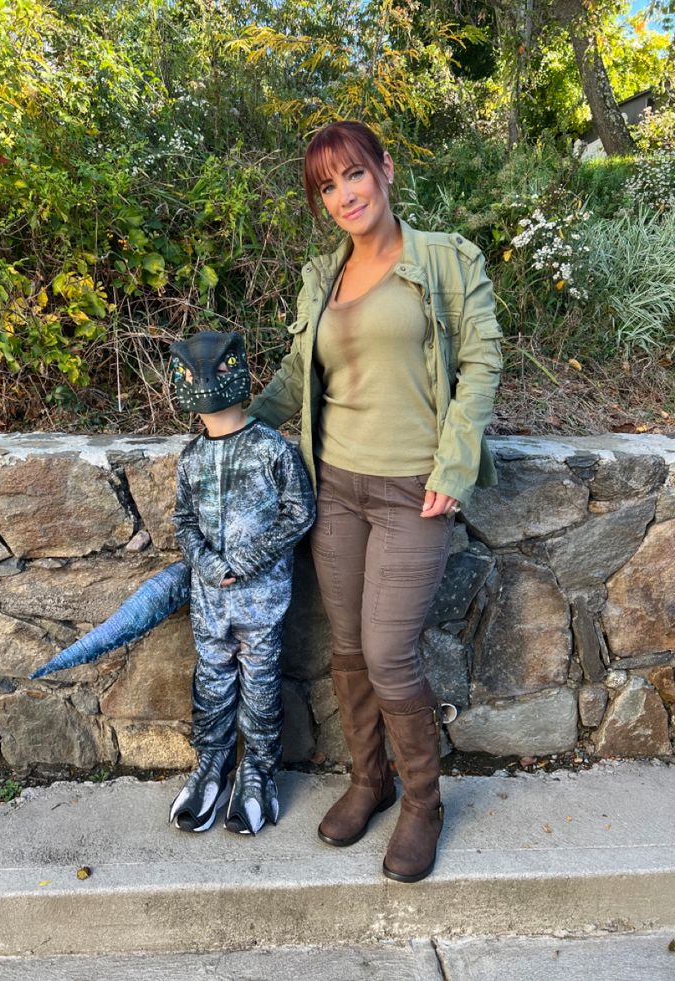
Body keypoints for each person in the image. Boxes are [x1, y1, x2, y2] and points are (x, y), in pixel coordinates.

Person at [248, 121, 502, 881]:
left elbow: (484, 360)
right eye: (326, 186)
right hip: (335, 486)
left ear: (386, 172)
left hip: (411, 491)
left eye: (352, 175)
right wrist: (235, 427)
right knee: (349, 651)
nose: (342, 195)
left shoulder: (447, 260)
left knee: (390, 654)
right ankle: (370, 779)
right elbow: (298, 378)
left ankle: (423, 802)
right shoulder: (322, 276)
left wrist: (453, 467)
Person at [169, 330, 315, 835]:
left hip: (262, 601)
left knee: (260, 686)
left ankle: (258, 771)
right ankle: (210, 764)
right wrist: (209, 566)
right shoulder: (191, 458)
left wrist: (248, 560)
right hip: (210, 602)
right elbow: (183, 521)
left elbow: (299, 512)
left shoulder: (271, 448)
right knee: (211, 684)